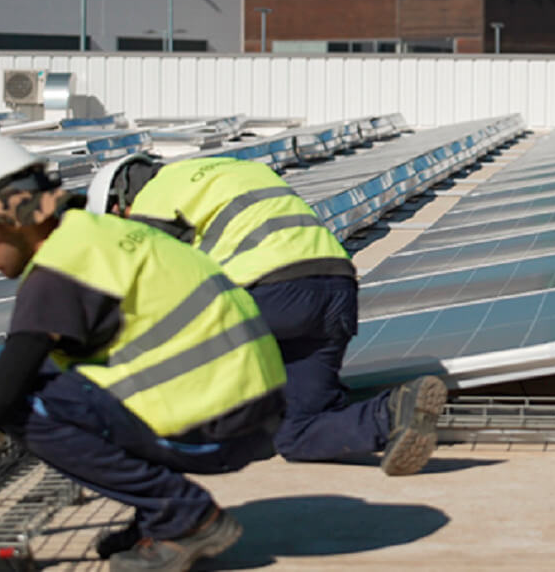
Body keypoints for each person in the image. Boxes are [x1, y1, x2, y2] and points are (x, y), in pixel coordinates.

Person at [0, 135, 287, 572]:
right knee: (50, 391)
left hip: (219, 424)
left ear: (9, 214)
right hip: (252, 412)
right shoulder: (97, 235)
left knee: (26, 409)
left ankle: (182, 517)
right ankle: (156, 518)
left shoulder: (58, 270)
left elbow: (1, 390)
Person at [86, 154, 447, 477]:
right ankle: (393, 413)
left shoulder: (155, 197)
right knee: (298, 432)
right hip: (336, 289)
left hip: (267, 291)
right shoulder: (239, 169)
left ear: (120, 203)